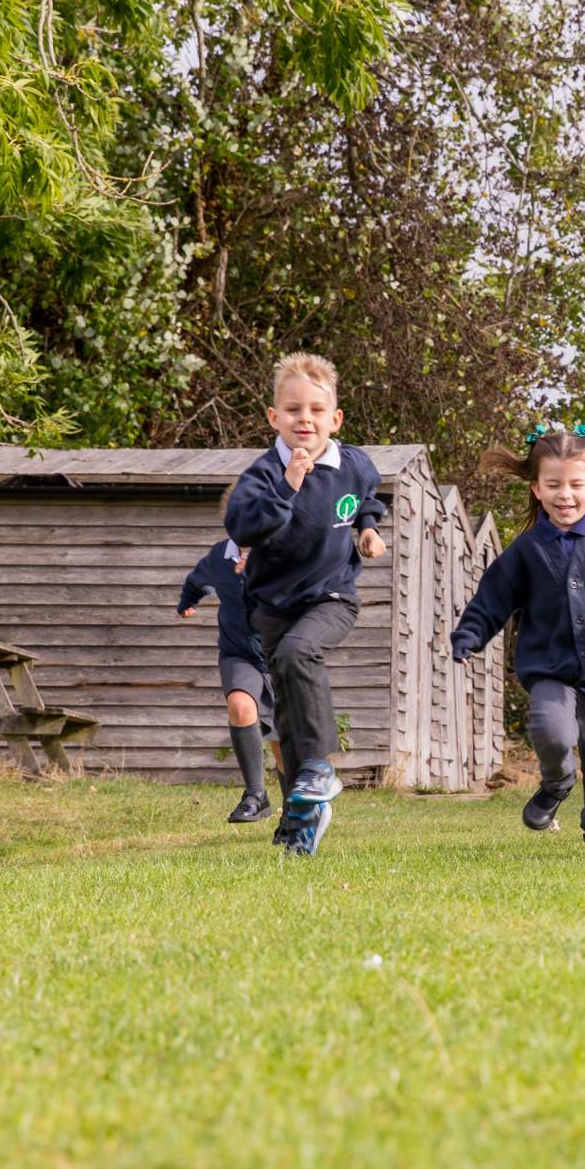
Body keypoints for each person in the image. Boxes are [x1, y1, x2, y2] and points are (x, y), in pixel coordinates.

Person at [450, 425, 585, 849]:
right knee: (551, 732)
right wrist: (469, 635)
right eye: (553, 485)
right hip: (550, 668)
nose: (564, 495)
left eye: (575, 485)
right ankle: (557, 780)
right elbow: (492, 598)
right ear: (536, 489)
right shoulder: (527, 549)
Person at [224, 352, 387, 856]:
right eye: (293, 410)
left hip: (333, 596)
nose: (305, 420)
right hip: (273, 606)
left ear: (335, 419)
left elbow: (369, 495)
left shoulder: (352, 463)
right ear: (274, 417)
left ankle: (318, 769)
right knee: (288, 714)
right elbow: (243, 525)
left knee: (300, 653)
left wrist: (368, 528)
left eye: (317, 410)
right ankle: (301, 817)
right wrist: (289, 484)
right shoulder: (262, 474)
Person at [177, 521, 281, 824]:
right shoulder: (220, 555)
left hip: (281, 655)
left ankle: (296, 809)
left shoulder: (282, 552)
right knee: (240, 704)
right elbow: (196, 580)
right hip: (239, 653)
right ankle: (256, 795)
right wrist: (188, 601)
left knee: (282, 740)